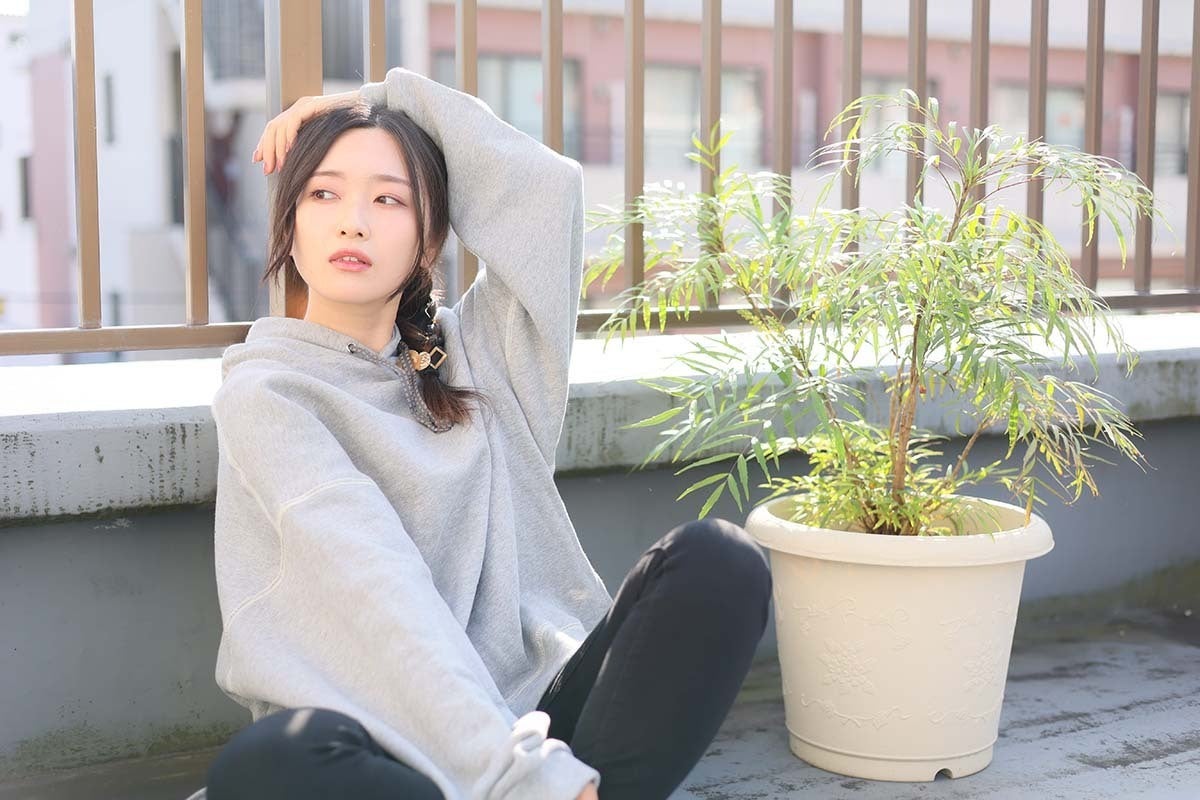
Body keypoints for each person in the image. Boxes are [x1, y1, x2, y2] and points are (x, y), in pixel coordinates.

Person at [202, 66, 773, 800]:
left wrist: (377, 101)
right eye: (324, 193)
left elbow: (545, 193)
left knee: (719, 562)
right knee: (269, 761)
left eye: (388, 198)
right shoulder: (268, 393)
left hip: (535, 714)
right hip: (385, 734)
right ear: (289, 225)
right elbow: (378, 591)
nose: (353, 221)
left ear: (429, 237)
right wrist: (518, 776)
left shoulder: (481, 356)